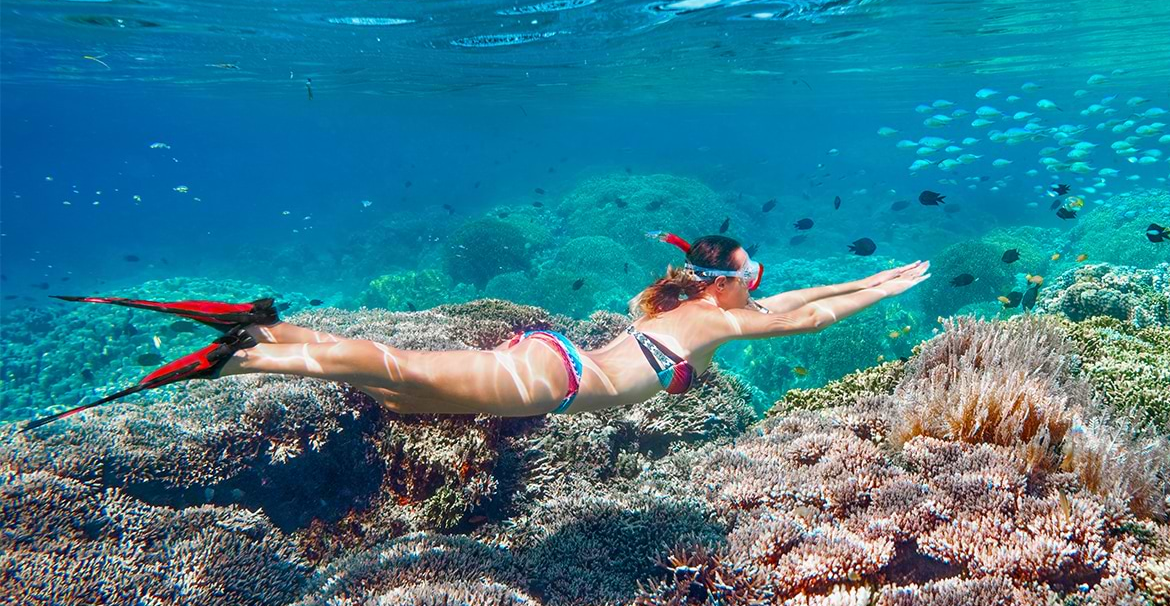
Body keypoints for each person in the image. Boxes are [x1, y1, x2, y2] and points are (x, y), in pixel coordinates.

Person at [23, 233, 929, 430]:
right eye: (756, 279)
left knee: (395, 390)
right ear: (736, 287)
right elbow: (813, 310)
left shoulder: (681, 308)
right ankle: (255, 343)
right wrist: (878, 293)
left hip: (546, 359)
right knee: (399, 373)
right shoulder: (715, 326)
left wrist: (877, 274)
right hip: (553, 381)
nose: (765, 291)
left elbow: (808, 293)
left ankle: (258, 345)